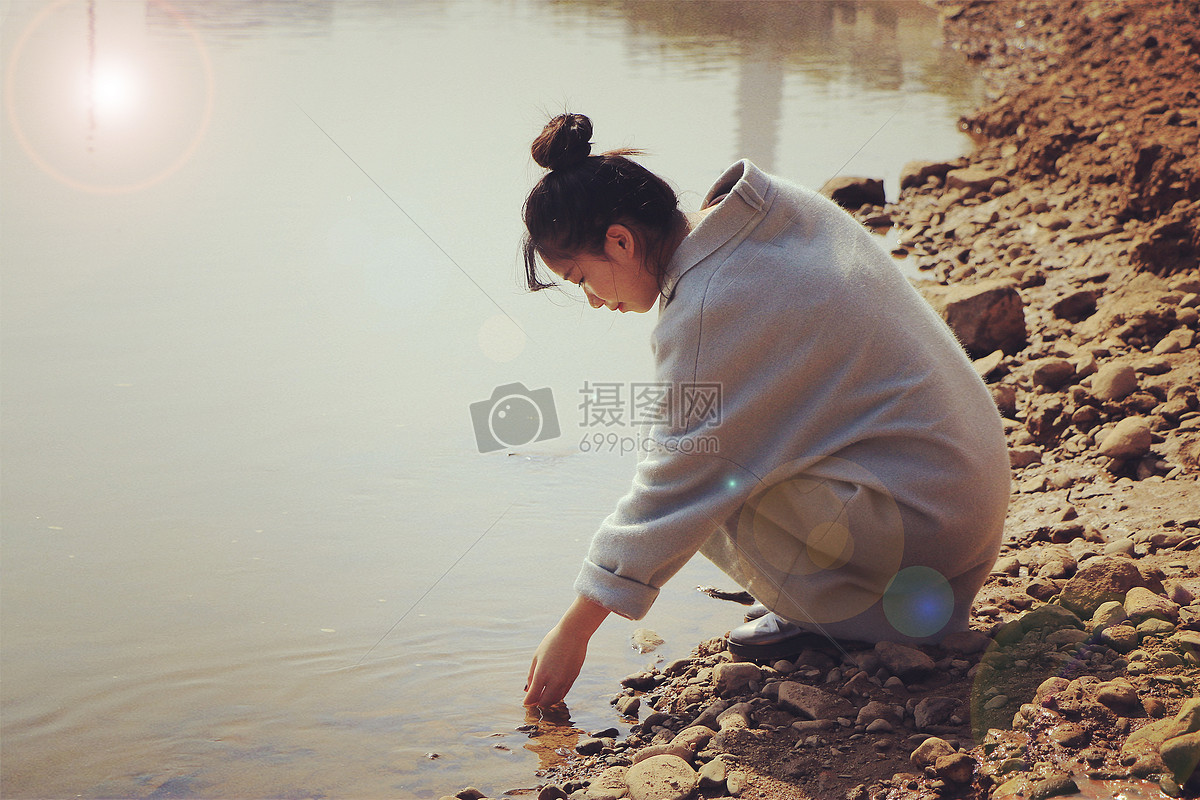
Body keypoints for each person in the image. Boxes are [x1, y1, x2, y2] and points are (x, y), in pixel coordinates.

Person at [520, 113, 1010, 708]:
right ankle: (871, 605)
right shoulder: (768, 213)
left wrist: (573, 629)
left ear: (620, 242)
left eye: (581, 278)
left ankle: (836, 615)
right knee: (726, 440)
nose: (594, 302)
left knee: (710, 479)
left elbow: (673, 487)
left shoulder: (709, 306)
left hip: (923, 528)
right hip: (964, 489)